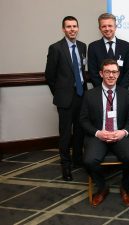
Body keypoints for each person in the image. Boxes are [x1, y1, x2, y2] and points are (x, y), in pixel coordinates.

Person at [80, 59, 129, 208]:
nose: (111, 75)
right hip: (99, 136)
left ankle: (124, 187)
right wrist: (98, 133)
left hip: (119, 135)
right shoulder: (90, 95)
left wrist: (123, 132)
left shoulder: (126, 94)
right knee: (89, 160)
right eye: (107, 72)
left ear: (118, 74)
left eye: (114, 72)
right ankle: (102, 187)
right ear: (101, 74)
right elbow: (83, 120)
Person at [45, 16, 87, 181]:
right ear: (63, 29)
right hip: (65, 99)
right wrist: (59, 93)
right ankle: (66, 165)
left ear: (78, 28)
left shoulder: (83, 46)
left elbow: (81, 70)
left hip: (81, 96)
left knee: (79, 131)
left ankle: (78, 160)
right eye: (68, 27)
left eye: (75, 26)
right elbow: (49, 76)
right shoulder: (56, 48)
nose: (72, 29)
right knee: (65, 134)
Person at [88, 13, 129, 89]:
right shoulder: (93, 47)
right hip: (100, 93)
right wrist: (103, 90)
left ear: (115, 27)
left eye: (110, 26)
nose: (107, 29)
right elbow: (93, 73)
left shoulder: (126, 46)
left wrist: (119, 90)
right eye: (104, 26)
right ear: (100, 28)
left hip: (121, 93)